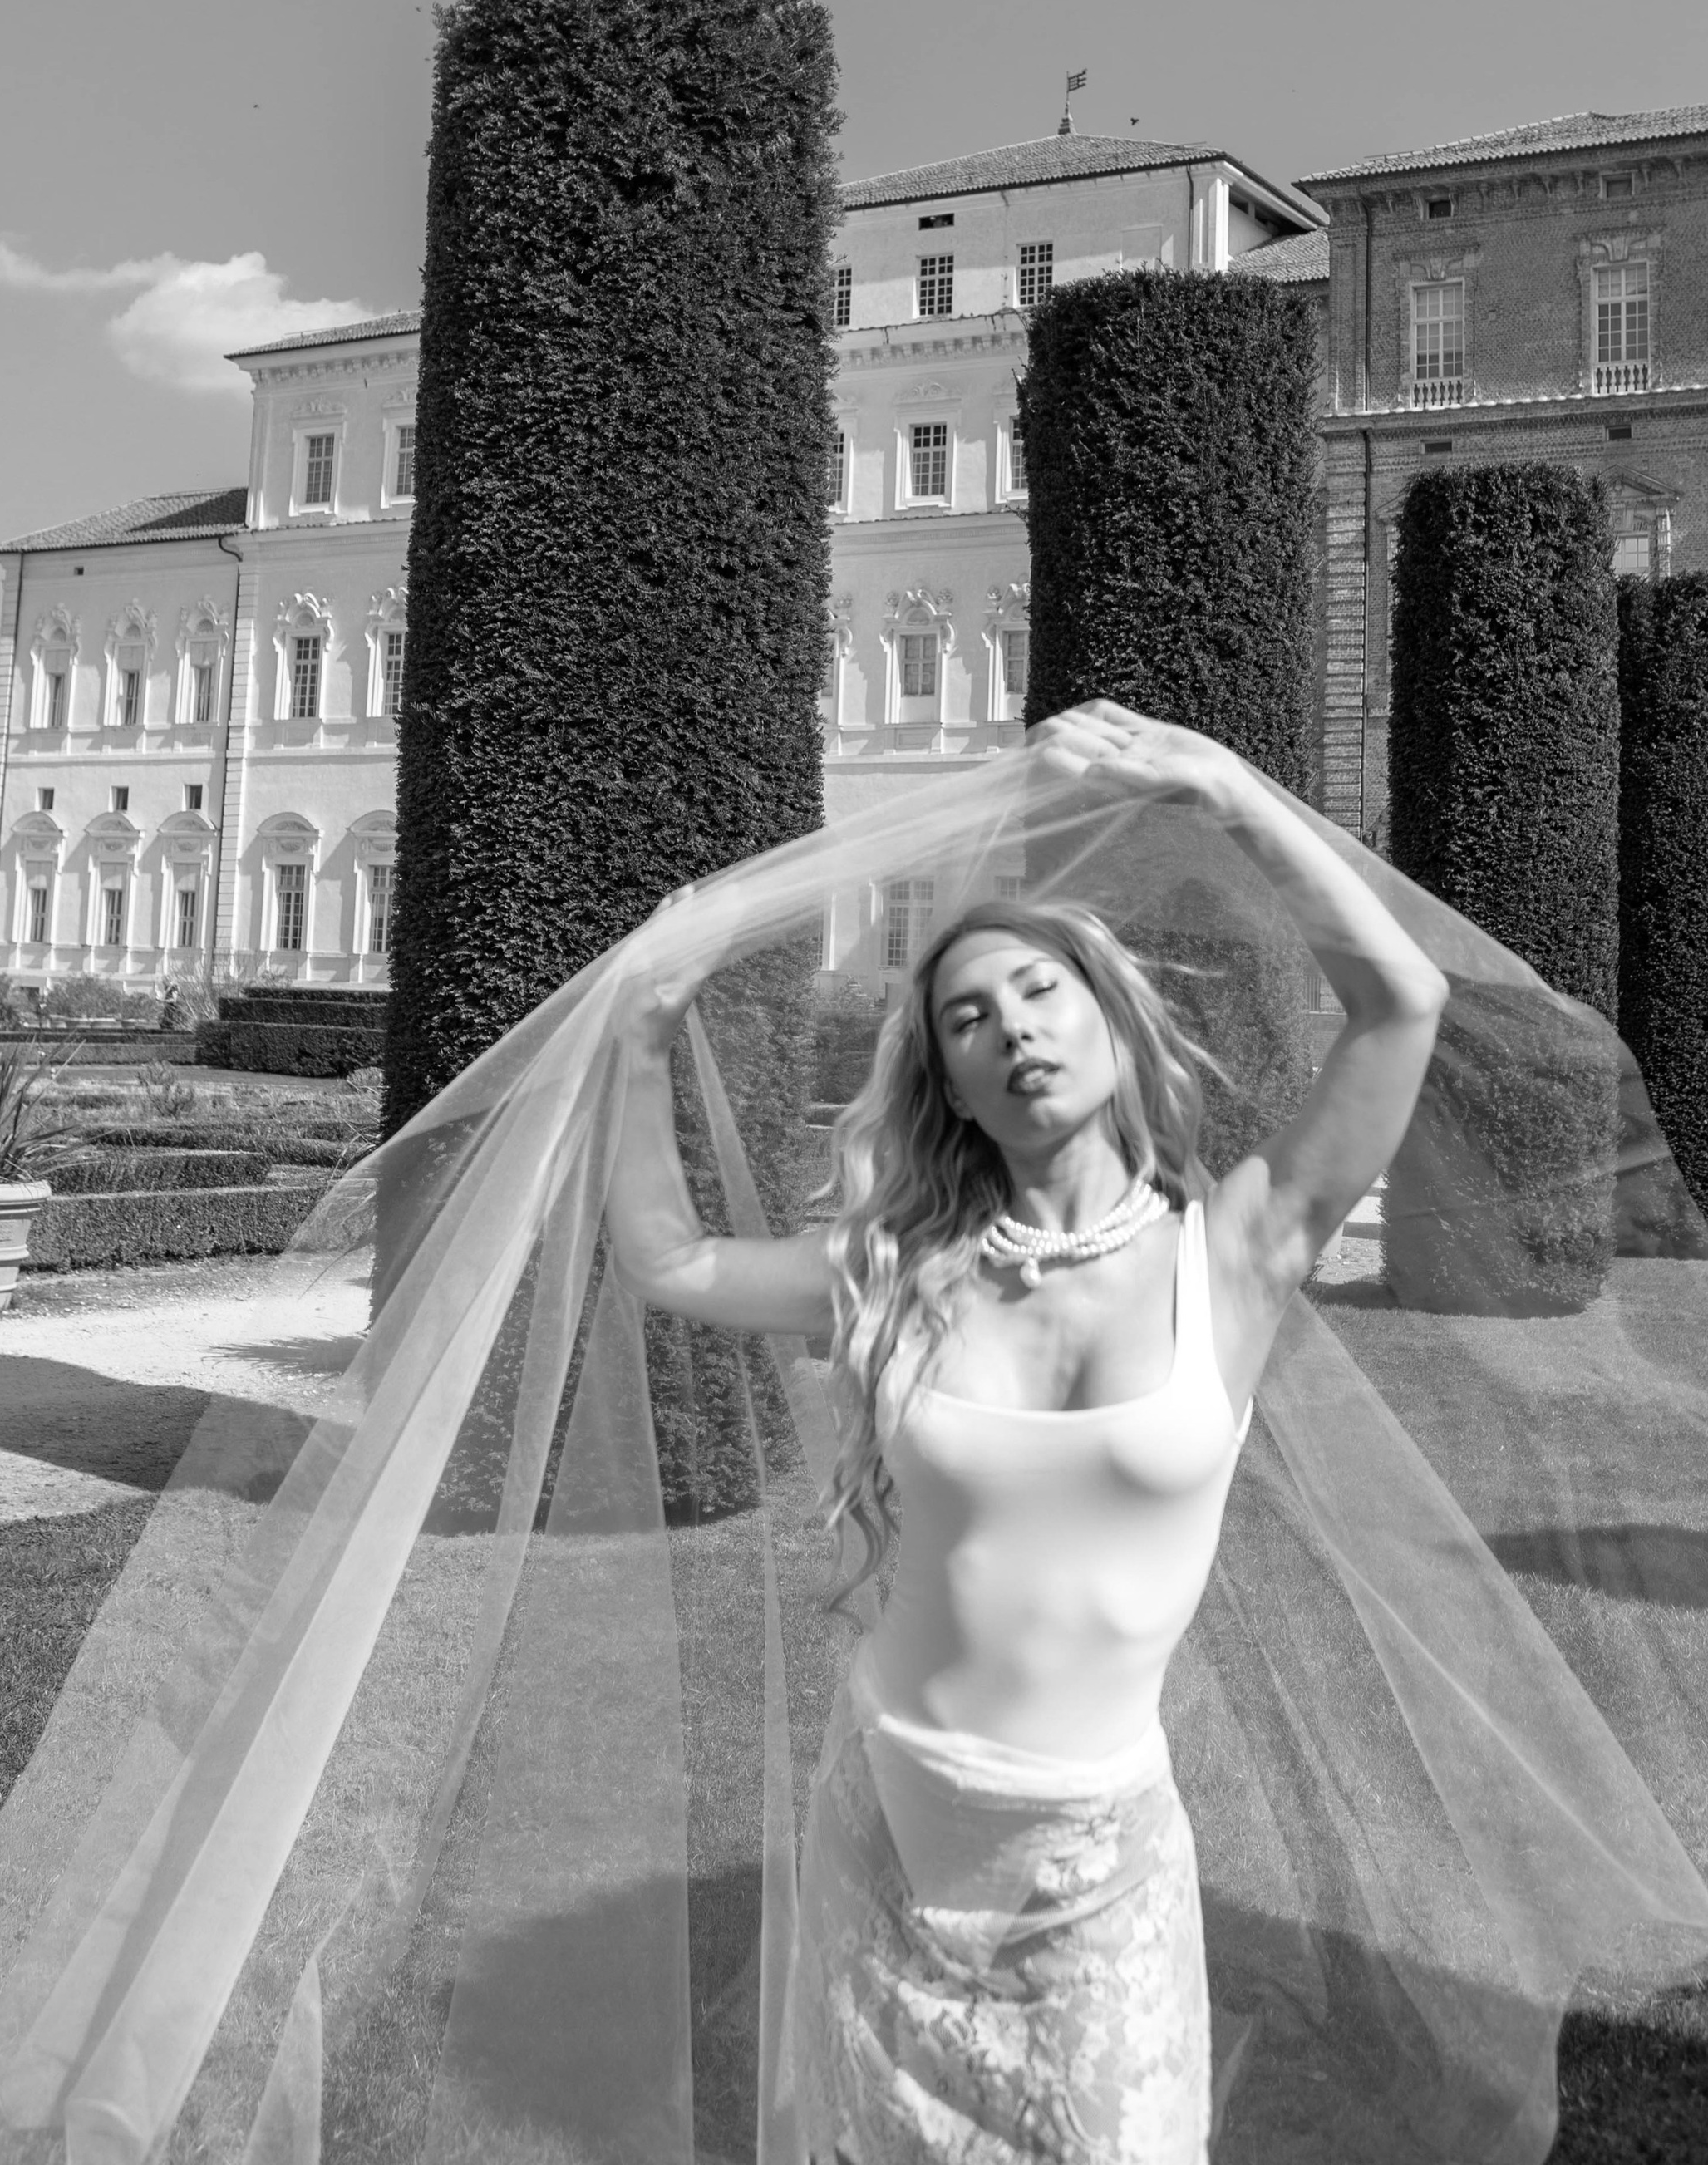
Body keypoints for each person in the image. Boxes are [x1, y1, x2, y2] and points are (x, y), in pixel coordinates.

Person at [604, 698, 1449, 2165]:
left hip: (1100, 1862)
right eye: (968, 1018)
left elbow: (1402, 1006)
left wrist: (1227, 788)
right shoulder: (892, 1276)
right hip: (888, 1822)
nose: (1012, 1028)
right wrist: (639, 1033)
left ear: (1112, 1019)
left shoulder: (1234, 1254)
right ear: (948, 1083)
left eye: (1042, 991)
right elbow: (669, 1262)